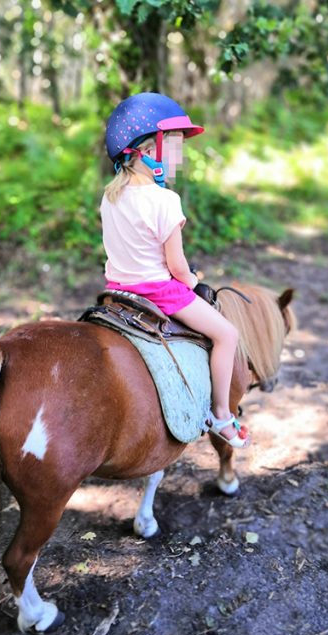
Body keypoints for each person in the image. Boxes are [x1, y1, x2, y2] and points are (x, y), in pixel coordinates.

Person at [101, 92, 250, 448]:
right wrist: (192, 281)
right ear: (149, 151)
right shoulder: (165, 200)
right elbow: (177, 265)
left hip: (117, 289)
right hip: (159, 293)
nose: (180, 156)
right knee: (227, 335)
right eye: (175, 146)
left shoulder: (110, 197)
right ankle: (222, 416)